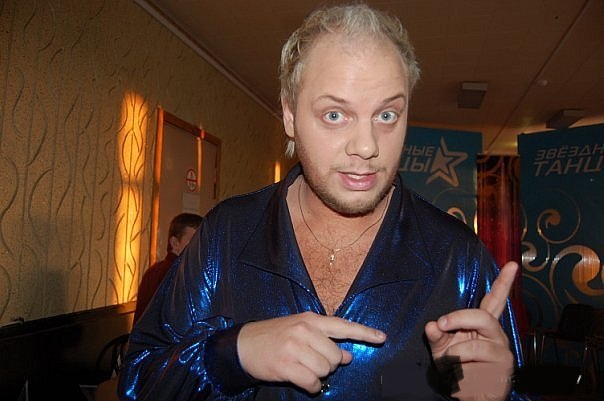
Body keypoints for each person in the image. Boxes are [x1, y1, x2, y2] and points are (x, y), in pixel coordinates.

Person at [119, 4, 526, 400]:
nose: (367, 146)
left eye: (386, 115)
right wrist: (235, 353)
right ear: (290, 115)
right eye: (335, 115)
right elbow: (140, 380)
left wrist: (488, 391)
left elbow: (492, 387)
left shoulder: (458, 256)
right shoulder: (227, 233)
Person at [132, 212, 203, 324]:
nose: (200, 248)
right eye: (193, 242)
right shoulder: (177, 275)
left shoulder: (155, 270)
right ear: (175, 243)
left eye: (202, 243)